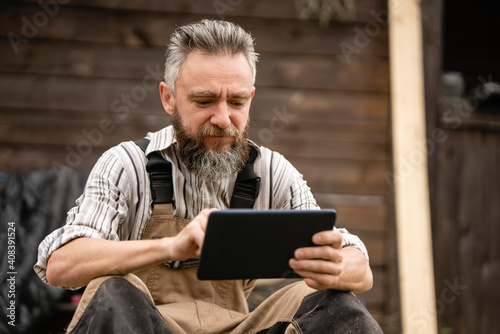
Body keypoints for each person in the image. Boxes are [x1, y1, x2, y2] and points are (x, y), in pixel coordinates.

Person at [34, 19, 382, 333]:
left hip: (241, 327)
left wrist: (336, 267)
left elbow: (361, 270)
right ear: (168, 98)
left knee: (338, 303)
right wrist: (169, 246)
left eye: (237, 102)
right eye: (204, 101)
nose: (222, 118)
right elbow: (60, 265)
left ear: (252, 99)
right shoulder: (126, 164)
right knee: (110, 290)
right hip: (146, 326)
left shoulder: (272, 172)